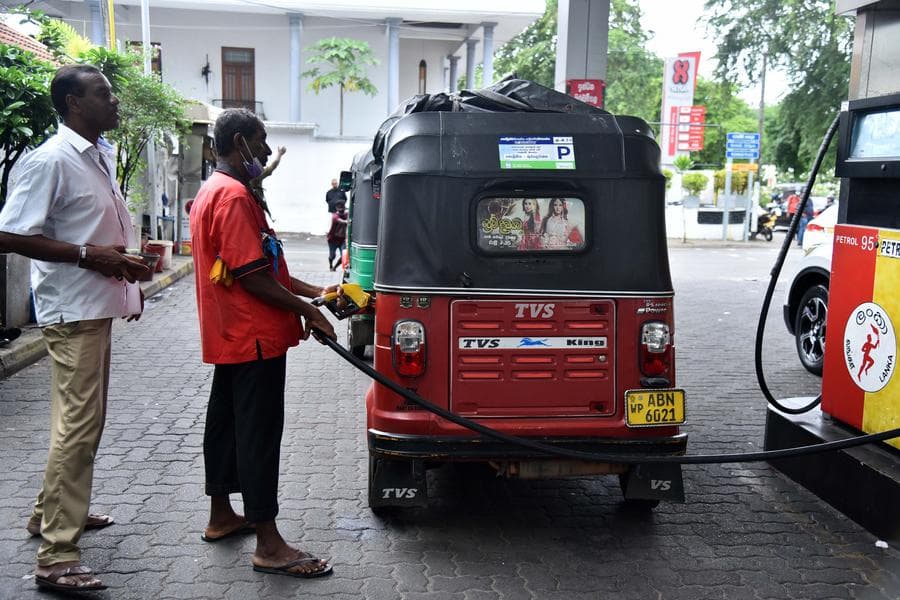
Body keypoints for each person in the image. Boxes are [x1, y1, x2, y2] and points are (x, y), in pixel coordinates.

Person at [0, 64, 149, 593]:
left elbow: (95, 234)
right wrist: (91, 256)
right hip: (72, 311)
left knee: (81, 423)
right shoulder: (50, 160)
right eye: (103, 94)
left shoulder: (97, 154)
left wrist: (125, 274)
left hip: (95, 305)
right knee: (79, 428)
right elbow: (10, 234)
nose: (114, 101)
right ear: (72, 103)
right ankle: (56, 555)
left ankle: (49, 515)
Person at [189, 108, 337, 580]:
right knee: (257, 434)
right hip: (252, 336)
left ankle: (220, 515)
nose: (268, 151)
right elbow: (254, 277)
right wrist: (308, 312)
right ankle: (269, 544)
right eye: (262, 140)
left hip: (230, 335)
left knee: (226, 424)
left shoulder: (215, 190)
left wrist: (317, 293)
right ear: (240, 141)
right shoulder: (233, 197)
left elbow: (260, 264)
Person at [327, 200, 349, 271]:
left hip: (342, 239)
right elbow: (340, 221)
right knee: (332, 256)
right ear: (336, 208)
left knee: (343, 255)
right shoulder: (335, 216)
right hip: (333, 239)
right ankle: (331, 265)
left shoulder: (346, 214)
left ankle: (335, 267)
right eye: (339, 208)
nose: (341, 210)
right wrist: (347, 221)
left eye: (342, 208)